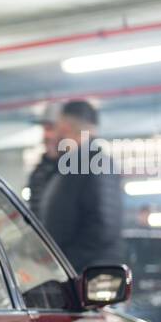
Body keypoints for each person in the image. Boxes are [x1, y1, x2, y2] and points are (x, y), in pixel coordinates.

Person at [24, 100, 124, 272]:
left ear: (70, 131)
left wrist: (62, 263)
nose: (57, 139)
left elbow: (102, 229)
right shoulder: (67, 167)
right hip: (71, 272)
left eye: (61, 133)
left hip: (89, 277)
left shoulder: (96, 165)